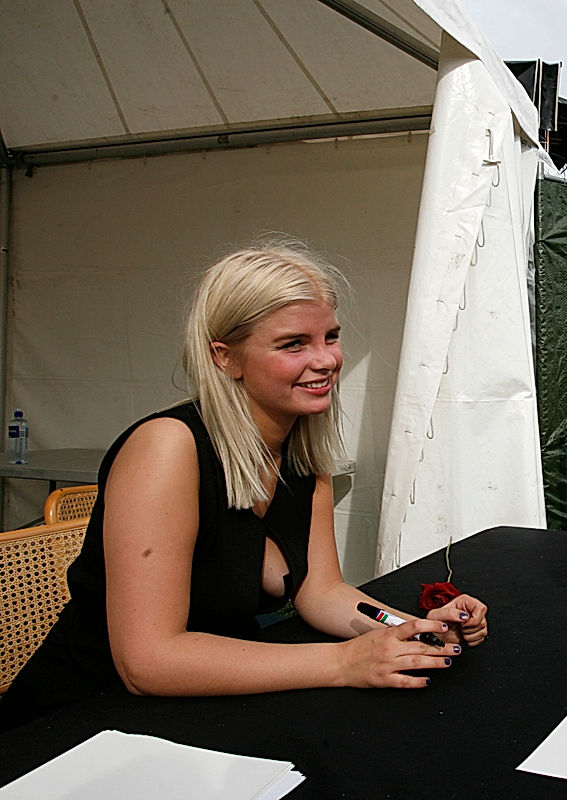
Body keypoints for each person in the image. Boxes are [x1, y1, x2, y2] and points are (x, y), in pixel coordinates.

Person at [0, 238, 488, 731]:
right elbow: (148, 661)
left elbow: (319, 591)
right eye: (293, 344)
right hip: (75, 724)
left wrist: (415, 630)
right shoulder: (168, 448)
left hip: (197, 710)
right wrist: (343, 664)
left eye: (331, 337)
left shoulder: (302, 451)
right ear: (224, 358)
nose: (326, 361)